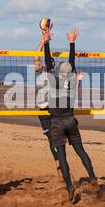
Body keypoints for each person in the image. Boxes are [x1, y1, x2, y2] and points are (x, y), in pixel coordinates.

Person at [43, 28, 97, 202]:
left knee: (62, 157)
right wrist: (72, 42)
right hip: (70, 121)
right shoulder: (73, 81)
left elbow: (48, 63)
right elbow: (71, 64)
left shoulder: (52, 80)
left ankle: (69, 187)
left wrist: (46, 42)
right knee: (81, 151)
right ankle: (93, 177)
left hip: (57, 123)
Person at [32, 38, 62, 180]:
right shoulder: (40, 71)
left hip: (54, 109)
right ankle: (58, 165)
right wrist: (43, 42)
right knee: (51, 139)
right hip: (43, 109)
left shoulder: (56, 76)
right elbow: (36, 57)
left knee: (57, 138)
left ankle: (60, 165)